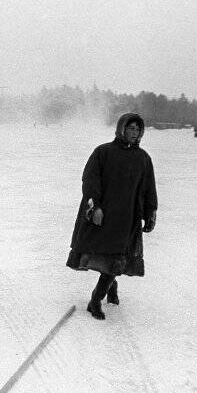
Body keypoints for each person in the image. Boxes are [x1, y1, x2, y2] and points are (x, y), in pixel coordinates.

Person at [66, 113, 158, 320]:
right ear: (121, 129)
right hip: (105, 216)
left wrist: (150, 212)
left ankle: (96, 299)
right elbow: (90, 181)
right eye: (131, 128)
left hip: (127, 218)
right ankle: (104, 292)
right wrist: (95, 208)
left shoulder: (143, 158)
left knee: (118, 257)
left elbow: (148, 188)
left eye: (137, 129)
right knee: (107, 255)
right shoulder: (103, 152)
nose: (134, 133)